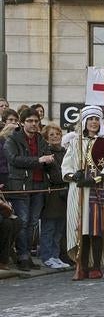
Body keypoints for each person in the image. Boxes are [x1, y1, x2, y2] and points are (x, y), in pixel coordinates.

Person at [62, 105, 104, 280]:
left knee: (96, 228)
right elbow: (66, 165)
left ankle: (96, 266)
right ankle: (82, 265)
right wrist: (74, 175)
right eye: (90, 119)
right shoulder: (75, 141)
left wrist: (94, 180)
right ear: (85, 122)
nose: (93, 122)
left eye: (96, 119)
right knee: (81, 229)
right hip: (78, 190)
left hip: (97, 189)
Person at [4, 107, 55, 271]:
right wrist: (39, 160)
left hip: (39, 186)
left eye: (36, 121)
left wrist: (49, 162)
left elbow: (48, 158)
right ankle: (23, 256)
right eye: (30, 121)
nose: (33, 124)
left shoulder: (41, 139)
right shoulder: (13, 139)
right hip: (20, 186)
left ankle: (27, 257)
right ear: (22, 122)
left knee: (33, 223)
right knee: (23, 222)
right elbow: (14, 159)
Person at [39, 123, 70, 269]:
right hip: (52, 193)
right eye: (51, 135)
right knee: (49, 226)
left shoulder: (65, 151)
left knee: (59, 228)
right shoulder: (46, 152)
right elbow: (56, 175)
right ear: (46, 138)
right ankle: (47, 256)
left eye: (57, 134)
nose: (55, 137)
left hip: (64, 193)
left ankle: (56, 256)